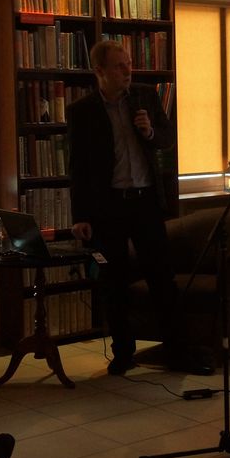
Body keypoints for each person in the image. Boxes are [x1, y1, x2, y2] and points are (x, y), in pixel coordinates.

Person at [67, 40, 212, 376]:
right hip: (109, 206)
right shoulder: (82, 111)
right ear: (100, 71)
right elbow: (78, 168)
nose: (127, 71)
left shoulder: (145, 97)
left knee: (162, 278)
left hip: (146, 201)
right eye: (119, 66)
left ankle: (177, 352)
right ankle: (123, 353)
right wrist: (80, 216)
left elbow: (167, 139)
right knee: (113, 281)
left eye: (129, 63)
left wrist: (149, 132)